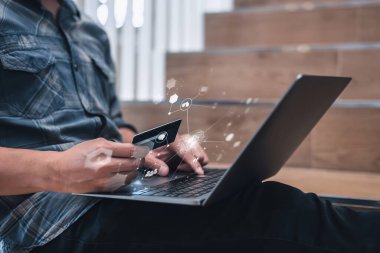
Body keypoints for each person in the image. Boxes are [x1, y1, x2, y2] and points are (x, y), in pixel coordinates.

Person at [0, 1, 378, 252]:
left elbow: (114, 127)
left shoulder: (90, 34)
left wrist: (153, 147)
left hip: (119, 189)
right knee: (275, 210)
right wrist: (58, 171)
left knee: (248, 195)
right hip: (45, 220)